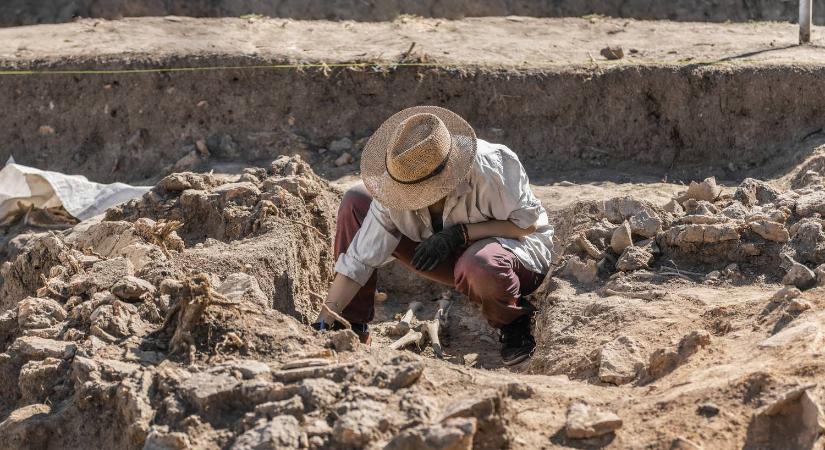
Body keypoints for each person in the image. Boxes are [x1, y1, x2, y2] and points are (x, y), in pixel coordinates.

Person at [313, 106, 553, 366]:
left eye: (423, 191)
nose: (412, 199)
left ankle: (514, 322)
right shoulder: (398, 182)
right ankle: (349, 326)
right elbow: (359, 259)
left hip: (514, 253)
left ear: (449, 173)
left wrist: (460, 234)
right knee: (357, 200)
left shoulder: (492, 167)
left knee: (479, 264)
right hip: (448, 256)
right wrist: (326, 317)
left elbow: (527, 225)